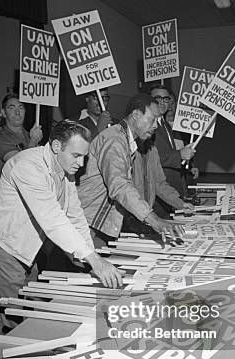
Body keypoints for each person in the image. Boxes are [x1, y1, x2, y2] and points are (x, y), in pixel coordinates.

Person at [0, 120, 122, 333]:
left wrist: (91, 255)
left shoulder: (65, 169)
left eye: (84, 156)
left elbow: (75, 216)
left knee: (30, 316)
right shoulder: (27, 166)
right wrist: (95, 261)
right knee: (10, 328)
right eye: (76, 155)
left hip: (29, 250)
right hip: (5, 252)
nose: (81, 163)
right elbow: (53, 219)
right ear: (56, 146)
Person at [77, 94, 193, 246]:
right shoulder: (114, 140)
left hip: (101, 223)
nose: (156, 125)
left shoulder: (129, 140)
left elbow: (156, 182)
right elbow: (119, 185)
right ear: (136, 115)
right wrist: (154, 220)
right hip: (88, 224)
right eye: (152, 119)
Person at [150, 84, 196, 197]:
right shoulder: (147, 124)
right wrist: (179, 154)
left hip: (172, 185)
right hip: (157, 188)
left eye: (166, 99)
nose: (162, 102)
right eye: (157, 98)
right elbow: (150, 158)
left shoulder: (165, 124)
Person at [0, 93, 43, 177]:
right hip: (14, 188)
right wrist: (33, 142)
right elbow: (19, 167)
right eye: (11, 108)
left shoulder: (30, 135)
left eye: (21, 107)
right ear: (3, 113)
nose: (17, 112)